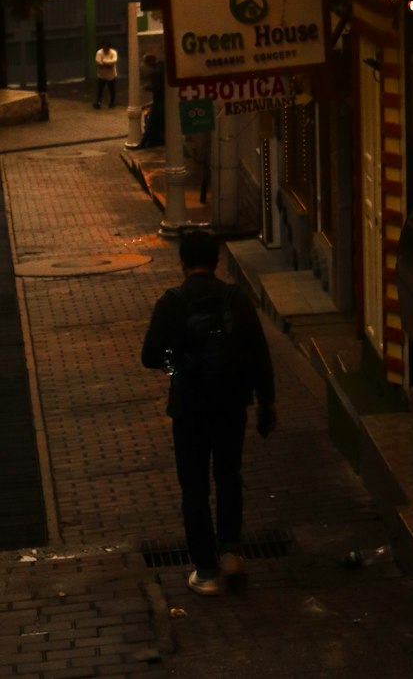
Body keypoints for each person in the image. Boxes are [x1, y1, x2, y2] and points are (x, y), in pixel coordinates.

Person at [141, 230, 277, 596]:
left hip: (190, 407)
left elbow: (149, 356)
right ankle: (231, 551)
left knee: (194, 487)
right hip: (232, 403)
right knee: (229, 475)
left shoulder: (172, 303)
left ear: (183, 262)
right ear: (217, 261)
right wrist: (267, 401)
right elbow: (259, 353)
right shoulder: (236, 299)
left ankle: (205, 570)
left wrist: (176, 364)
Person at [137, 52, 165, 147]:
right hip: (164, 100)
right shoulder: (162, 66)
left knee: (152, 123)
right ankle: (149, 142)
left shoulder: (156, 72)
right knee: (156, 123)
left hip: (159, 100)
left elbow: (157, 88)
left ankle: (145, 144)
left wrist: (148, 87)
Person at [93, 44, 118, 108]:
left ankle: (112, 102)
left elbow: (114, 61)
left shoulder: (113, 52)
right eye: (104, 48)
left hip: (111, 75)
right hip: (102, 75)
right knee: (100, 90)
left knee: (112, 90)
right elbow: (98, 61)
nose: (105, 49)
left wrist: (104, 61)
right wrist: (108, 63)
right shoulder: (99, 52)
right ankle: (98, 102)